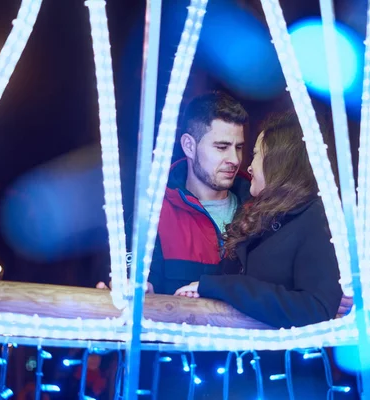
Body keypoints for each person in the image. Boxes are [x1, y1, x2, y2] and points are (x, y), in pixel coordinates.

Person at [174, 111, 344, 328]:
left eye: (255, 154)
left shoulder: (316, 218)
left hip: (287, 359)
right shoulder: (262, 216)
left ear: (279, 162)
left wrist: (223, 287)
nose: (248, 165)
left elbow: (315, 308)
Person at [97, 91, 251, 295]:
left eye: (239, 147)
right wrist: (135, 289)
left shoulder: (260, 208)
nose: (234, 159)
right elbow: (137, 284)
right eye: (222, 147)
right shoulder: (153, 216)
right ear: (189, 146)